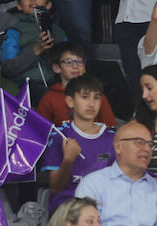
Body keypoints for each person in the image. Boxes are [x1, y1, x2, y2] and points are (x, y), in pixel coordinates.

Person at [76, 122, 157, 226]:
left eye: (150, 145)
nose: (147, 149)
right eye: (139, 142)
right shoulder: (93, 184)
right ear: (119, 147)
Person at [42, 77, 115, 209]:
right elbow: (55, 188)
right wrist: (68, 160)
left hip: (103, 206)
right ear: (70, 101)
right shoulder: (60, 136)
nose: (92, 104)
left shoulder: (113, 138)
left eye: (96, 98)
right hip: (68, 206)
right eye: (85, 97)